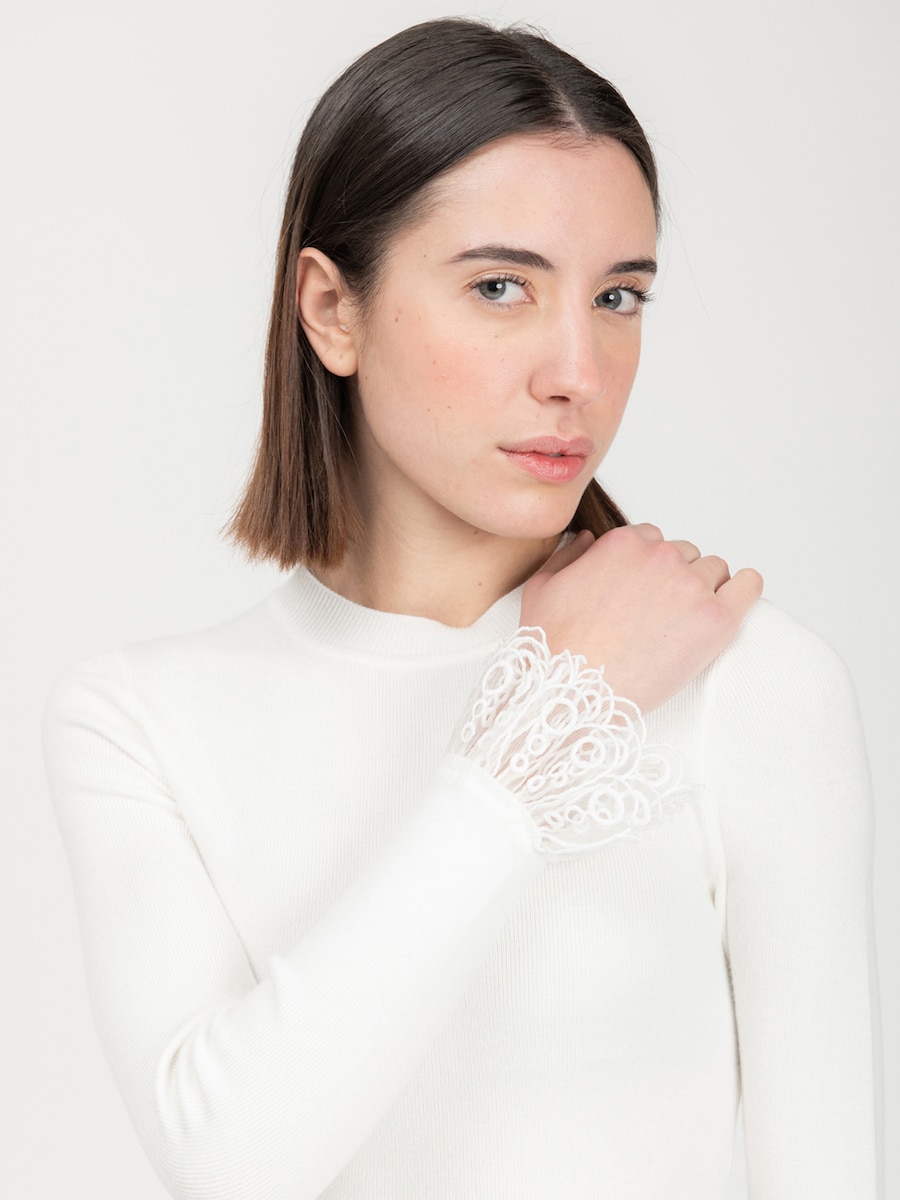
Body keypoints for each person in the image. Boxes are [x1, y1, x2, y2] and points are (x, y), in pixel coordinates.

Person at [43, 16, 882, 1200]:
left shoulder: (747, 683)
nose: (576, 372)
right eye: (501, 287)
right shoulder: (139, 721)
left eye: (619, 296)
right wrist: (541, 727)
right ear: (332, 310)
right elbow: (231, 1166)